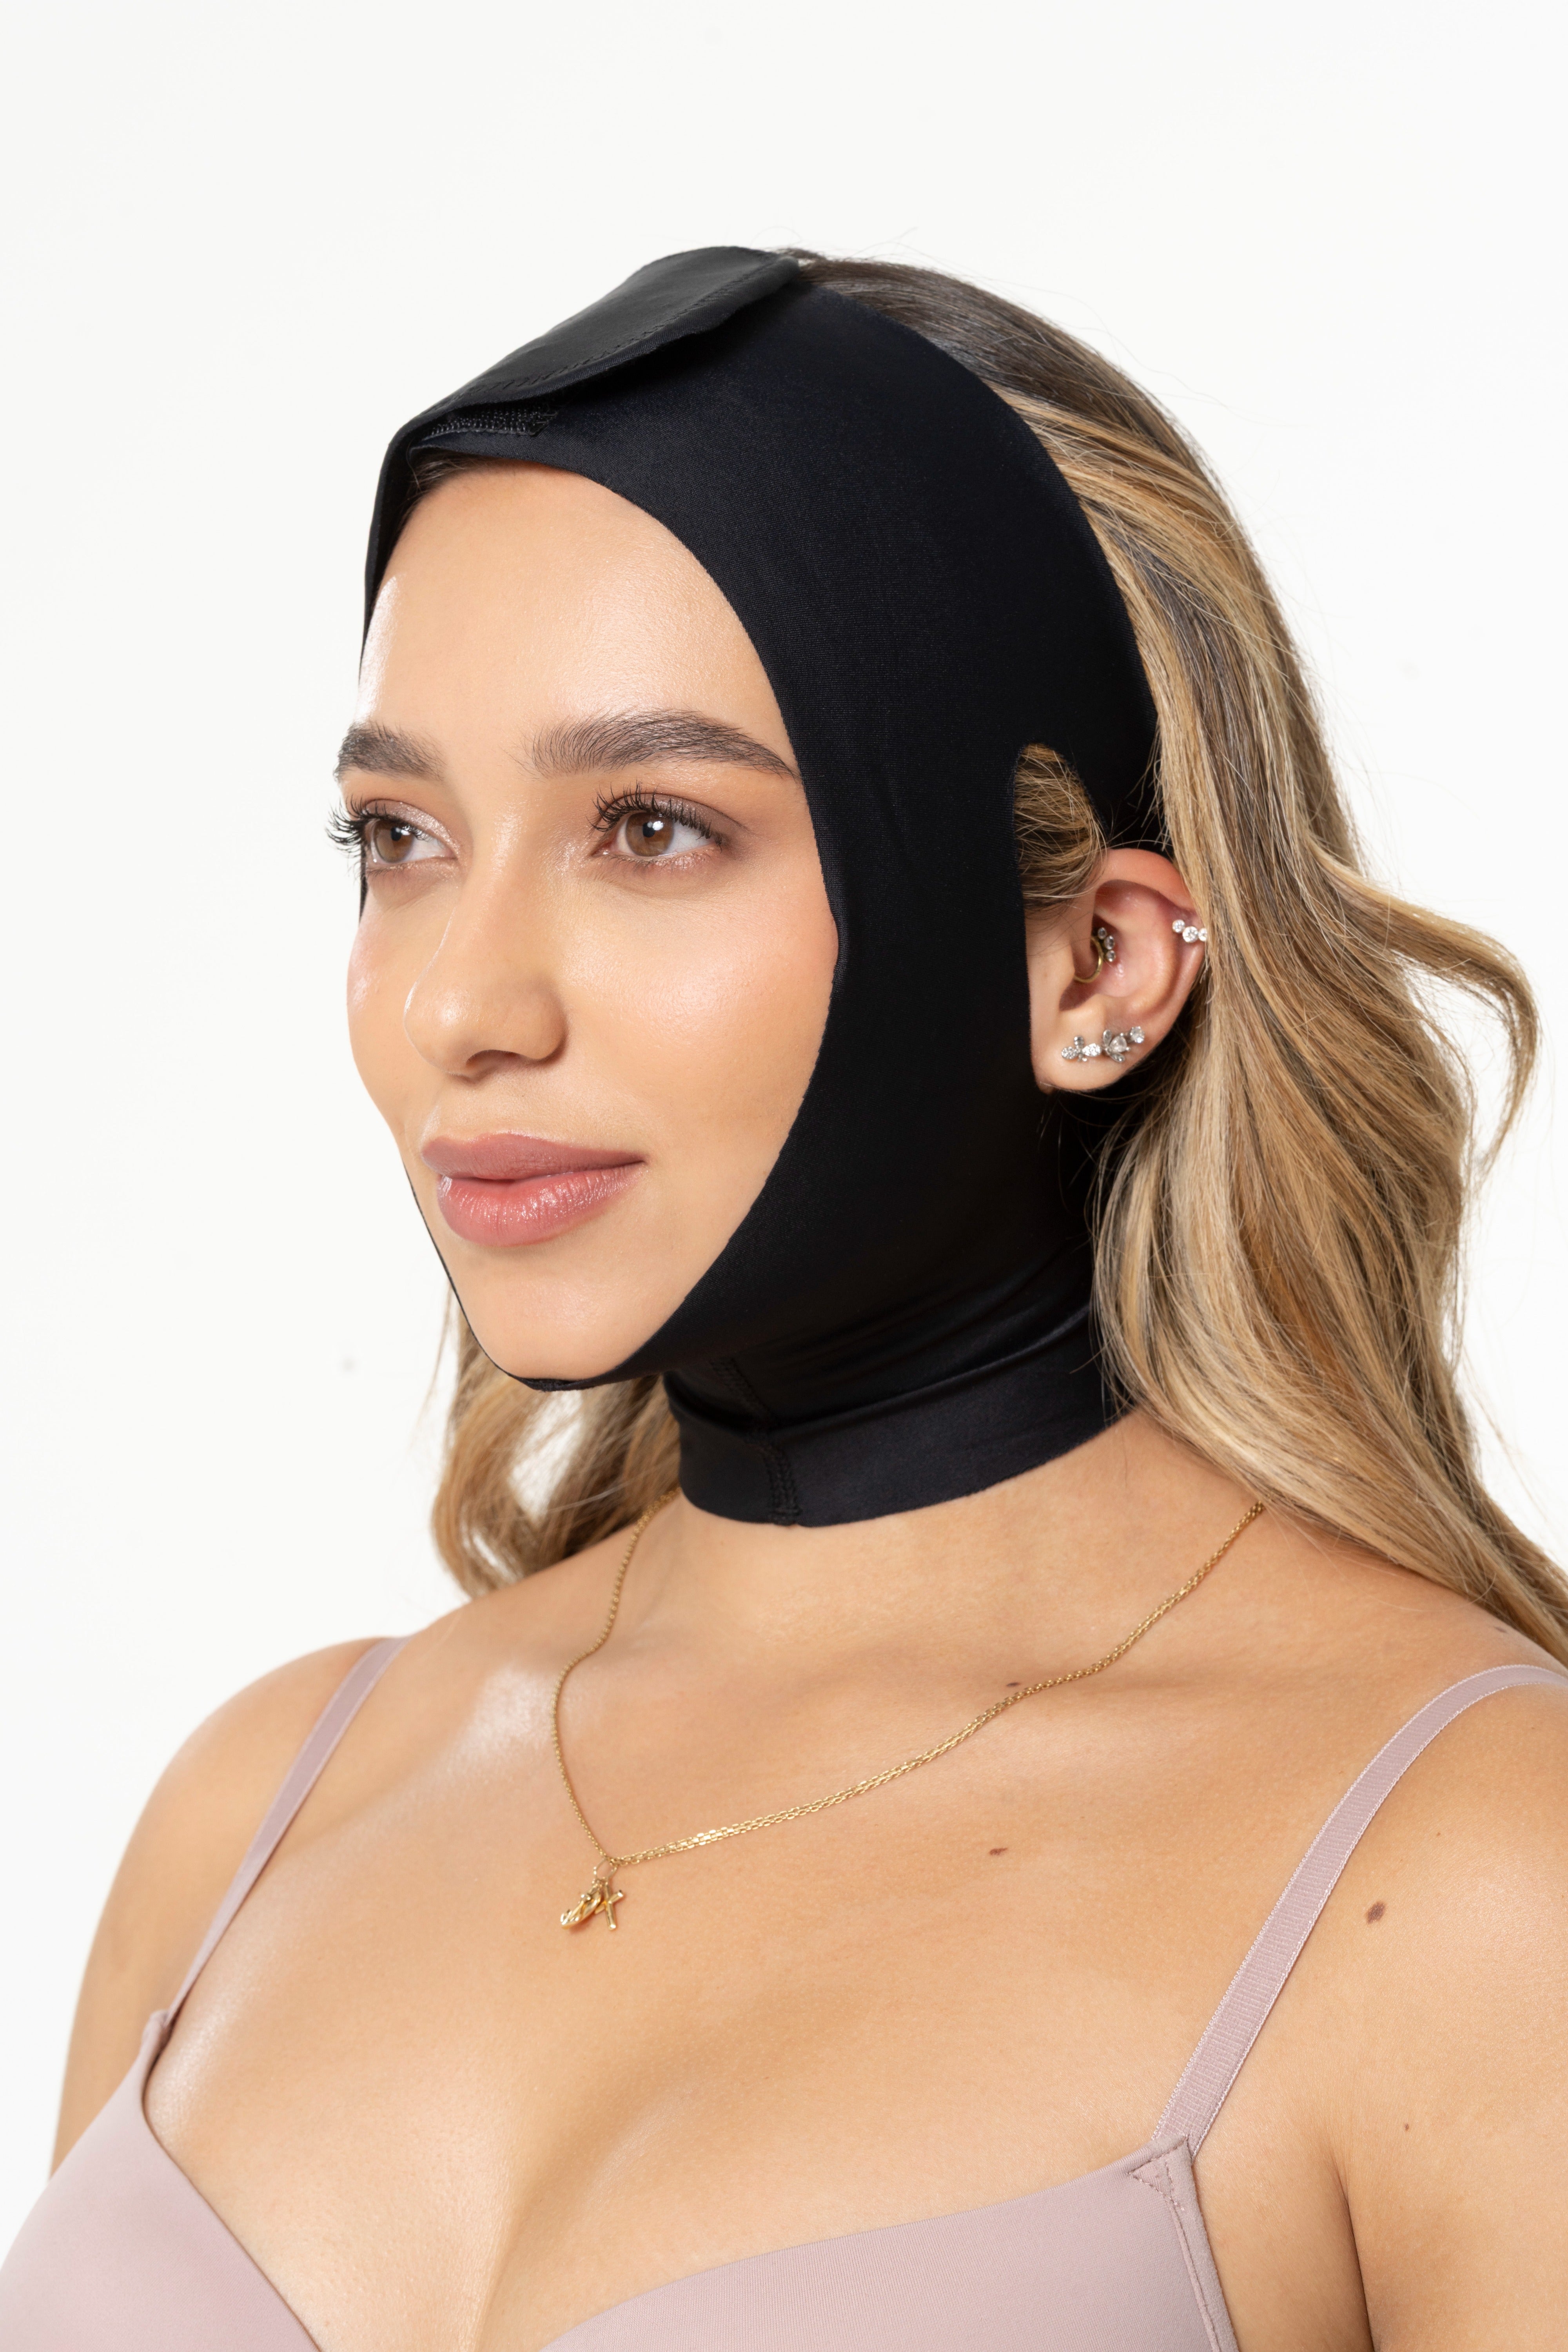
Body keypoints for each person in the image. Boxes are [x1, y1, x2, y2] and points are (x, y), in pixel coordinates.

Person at [3, 247, 1565, 2350]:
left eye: (652, 828)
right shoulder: (259, 1812)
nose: (462, 1003)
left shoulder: (1475, 1878)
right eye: (400, 834)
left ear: (1094, 965)